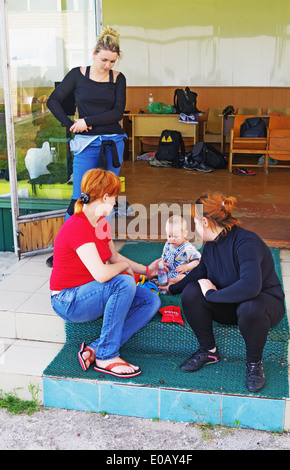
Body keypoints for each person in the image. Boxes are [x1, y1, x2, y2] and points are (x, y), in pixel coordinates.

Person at [168, 192, 285, 392]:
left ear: (204, 222)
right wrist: (171, 288)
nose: (194, 228)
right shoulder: (212, 245)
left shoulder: (246, 242)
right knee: (191, 292)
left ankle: (254, 364)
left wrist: (212, 295)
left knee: (250, 307)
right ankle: (208, 351)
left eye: (195, 222)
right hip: (231, 305)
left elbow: (251, 286)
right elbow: (200, 272)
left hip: (262, 307)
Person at [50, 168, 161, 378]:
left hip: (90, 292)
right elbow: (102, 274)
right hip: (68, 300)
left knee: (150, 301)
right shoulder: (77, 225)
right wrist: (125, 270)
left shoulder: (101, 223)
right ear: (105, 196)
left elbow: (114, 258)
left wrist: (147, 270)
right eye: (115, 197)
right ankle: (107, 356)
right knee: (123, 283)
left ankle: (95, 348)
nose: (115, 202)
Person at [46, 26, 127, 266]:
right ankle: (66, 249)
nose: (108, 65)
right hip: (86, 145)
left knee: (107, 198)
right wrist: (69, 125)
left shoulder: (118, 78)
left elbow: (117, 112)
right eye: (104, 59)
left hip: (113, 142)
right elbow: (54, 100)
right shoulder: (77, 74)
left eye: (112, 61)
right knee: (79, 198)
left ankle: (102, 249)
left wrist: (86, 121)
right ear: (94, 54)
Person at [160, 215, 201, 287]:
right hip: (169, 270)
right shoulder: (168, 244)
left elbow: (197, 262)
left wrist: (186, 267)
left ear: (185, 234)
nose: (172, 239)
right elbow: (164, 257)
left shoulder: (188, 248)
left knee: (183, 279)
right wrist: (163, 262)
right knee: (158, 271)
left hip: (182, 273)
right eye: (169, 236)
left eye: (176, 236)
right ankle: (162, 281)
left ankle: (169, 283)